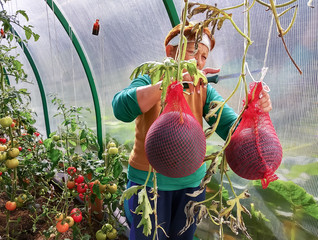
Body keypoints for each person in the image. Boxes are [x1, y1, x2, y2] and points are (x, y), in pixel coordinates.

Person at [112, 23, 272, 240]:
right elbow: (121, 108)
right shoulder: (149, 79)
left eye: (204, 56)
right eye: (193, 51)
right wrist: (166, 84)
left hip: (191, 187)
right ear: (170, 51)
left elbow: (231, 129)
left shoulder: (203, 89)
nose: (198, 60)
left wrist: (254, 112)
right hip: (148, 184)